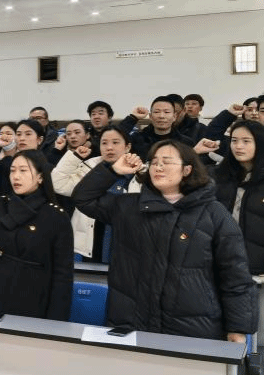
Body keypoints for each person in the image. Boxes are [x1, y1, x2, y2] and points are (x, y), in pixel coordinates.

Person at [72, 140, 257, 340]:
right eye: (154, 162)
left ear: (187, 170)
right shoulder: (129, 207)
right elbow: (83, 198)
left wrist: (237, 329)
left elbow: (235, 276)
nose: (158, 167)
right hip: (131, 325)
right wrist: (113, 170)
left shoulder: (214, 214)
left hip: (193, 331)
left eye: (166, 162)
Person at [0, 150, 73, 319]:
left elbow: (63, 274)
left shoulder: (56, 216)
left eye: (23, 170)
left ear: (40, 177)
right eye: (12, 170)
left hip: (35, 296)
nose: (16, 176)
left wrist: (56, 319)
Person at [51, 125, 139, 262]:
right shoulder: (89, 168)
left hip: (125, 248)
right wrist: (75, 157)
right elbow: (58, 184)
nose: (109, 147)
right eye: (104, 143)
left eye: (115, 142)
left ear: (127, 147)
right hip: (89, 246)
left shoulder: (140, 173)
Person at [210, 120, 263, 276]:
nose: (238, 146)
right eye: (234, 141)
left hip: (257, 270)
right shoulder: (218, 176)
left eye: (246, 141)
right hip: (222, 265)